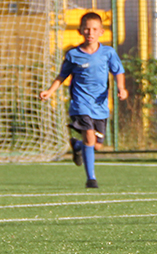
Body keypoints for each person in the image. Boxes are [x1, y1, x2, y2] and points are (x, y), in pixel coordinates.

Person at [39, 12, 128, 189]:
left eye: (94, 29)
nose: (90, 32)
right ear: (80, 31)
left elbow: (118, 71)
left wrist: (121, 88)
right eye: (86, 29)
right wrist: (49, 91)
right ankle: (91, 179)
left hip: (100, 105)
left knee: (97, 145)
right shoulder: (73, 54)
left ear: (101, 32)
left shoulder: (108, 53)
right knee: (89, 136)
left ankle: (78, 146)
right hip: (80, 104)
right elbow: (62, 75)